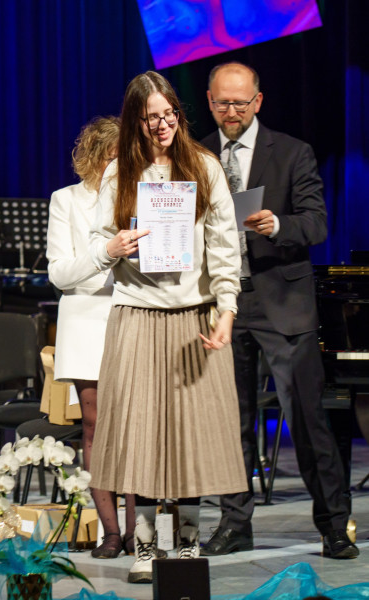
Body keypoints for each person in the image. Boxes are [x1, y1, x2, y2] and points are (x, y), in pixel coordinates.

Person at [89, 70, 247, 583]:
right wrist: (114, 247)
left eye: (169, 114)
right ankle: (144, 547)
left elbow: (225, 247)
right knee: (139, 436)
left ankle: (186, 545)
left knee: (190, 437)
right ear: (133, 121)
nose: (162, 125)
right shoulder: (119, 174)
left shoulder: (203, 167)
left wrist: (226, 311)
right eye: (150, 117)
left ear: (179, 113)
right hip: (137, 315)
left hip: (192, 317)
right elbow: (95, 242)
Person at [199, 61, 359, 560]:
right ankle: (234, 523)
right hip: (222, 304)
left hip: (281, 303)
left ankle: (334, 525)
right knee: (232, 424)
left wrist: (278, 225)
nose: (231, 112)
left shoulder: (291, 152)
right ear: (209, 101)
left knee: (307, 420)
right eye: (223, 103)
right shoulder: (197, 155)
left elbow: (317, 224)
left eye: (240, 103)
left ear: (258, 101)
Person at [46, 116, 136, 558]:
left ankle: (139, 530)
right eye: (114, 157)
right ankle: (110, 532)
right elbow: (61, 274)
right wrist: (105, 254)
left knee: (134, 427)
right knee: (96, 425)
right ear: (97, 157)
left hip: (132, 316)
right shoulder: (66, 200)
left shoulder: (138, 197)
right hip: (85, 319)